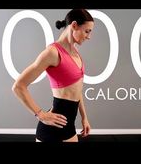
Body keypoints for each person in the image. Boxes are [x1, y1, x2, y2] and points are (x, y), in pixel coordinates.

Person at [12, 9, 94, 142]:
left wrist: (84, 117)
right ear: (74, 26)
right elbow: (18, 86)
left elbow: (77, 90)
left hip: (70, 127)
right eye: (87, 31)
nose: (89, 36)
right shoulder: (52, 53)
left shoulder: (76, 53)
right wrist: (41, 114)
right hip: (51, 130)